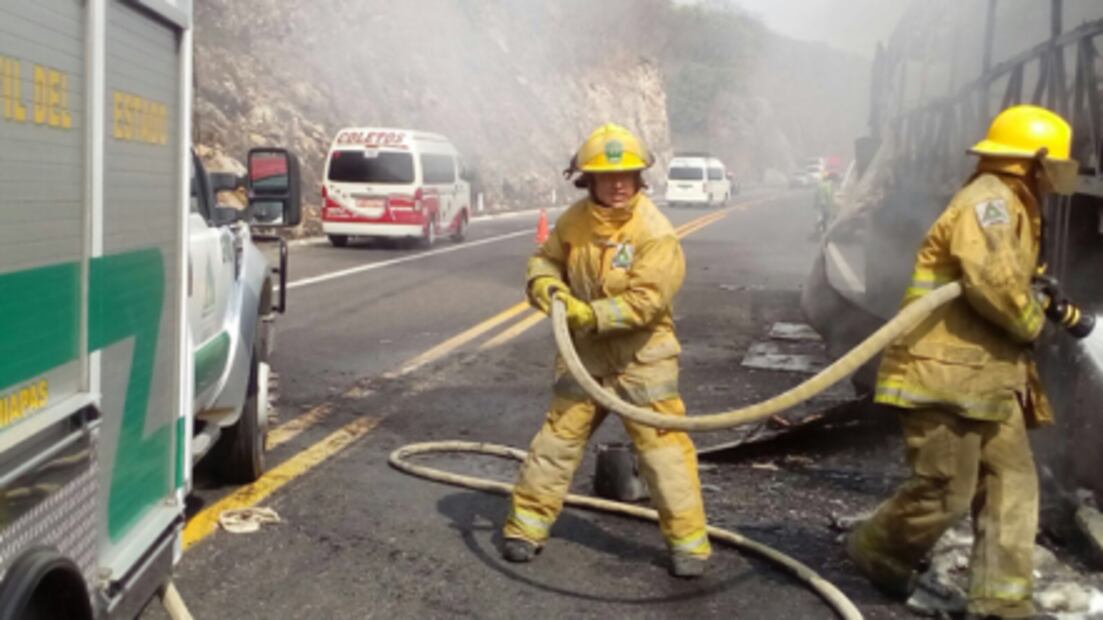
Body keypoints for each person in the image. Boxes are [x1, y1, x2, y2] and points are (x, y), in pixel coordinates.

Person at [846, 105, 1080, 619]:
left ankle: (1000, 603)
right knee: (946, 492)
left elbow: (1007, 274)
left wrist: (1041, 293)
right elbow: (992, 282)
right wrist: (1035, 322)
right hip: (943, 374)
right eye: (1054, 163)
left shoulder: (1014, 202)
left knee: (1012, 486)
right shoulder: (989, 202)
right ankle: (877, 548)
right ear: (1033, 161)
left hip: (989, 378)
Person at [501, 123, 712, 578]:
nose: (618, 184)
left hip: (642, 360)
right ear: (587, 180)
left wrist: (586, 315)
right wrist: (543, 281)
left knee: (664, 454)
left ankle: (688, 545)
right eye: (607, 177)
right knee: (556, 442)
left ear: (639, 179)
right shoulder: (574, 222)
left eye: (628, 175)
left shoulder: (655, 233)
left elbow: (644, 303)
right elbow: (546, 258)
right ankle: (525, 528)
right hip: (585, 358)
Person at [813, 171, 839, 235]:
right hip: (826, 203)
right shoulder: (827, 185)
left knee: (824, 216)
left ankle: (822, 227)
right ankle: (820, 226)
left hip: (821, 203)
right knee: (826, 216)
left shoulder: (820, 185)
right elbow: (828, 194)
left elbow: (816, 194)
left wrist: (815, 204)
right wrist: (831, 203)